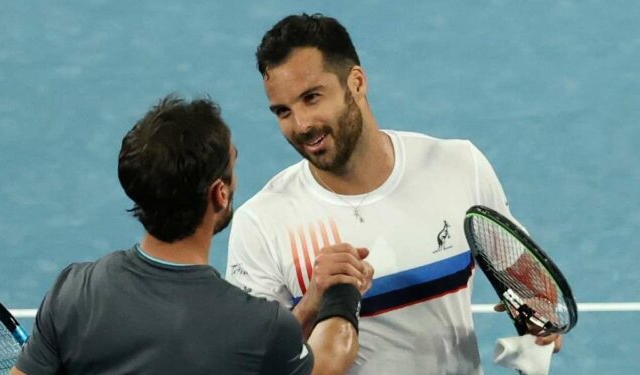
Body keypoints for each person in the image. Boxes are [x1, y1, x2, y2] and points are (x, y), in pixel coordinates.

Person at [225, 14, 562, 374]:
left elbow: (530, 281)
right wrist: (312, 303)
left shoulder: (459, 167)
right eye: (283, 111)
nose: (302, 124)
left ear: (356, 82)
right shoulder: (262, 223)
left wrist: (540, 311)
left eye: (312, 98)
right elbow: (249, 364)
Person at [10, 95, 363, 375]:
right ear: (219, 194)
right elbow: (326, 364)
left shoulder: (73, 291)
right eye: (233, 165)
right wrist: (340, 293)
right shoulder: (258, 327)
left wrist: (307, 307)